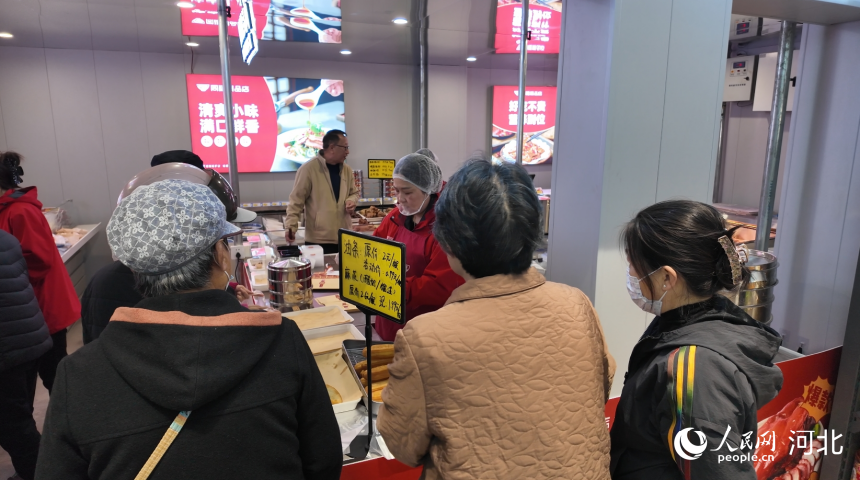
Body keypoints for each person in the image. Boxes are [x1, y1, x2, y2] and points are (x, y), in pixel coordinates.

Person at [36, 179, 341, 480]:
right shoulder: (281, 341)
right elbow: (323, 462)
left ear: (135, 266)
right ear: (221, 255)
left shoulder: (77, 375)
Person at [377, 158, 616, 480]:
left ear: (448, 240)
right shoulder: (577, 303)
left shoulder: (425, 335)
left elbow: (403, 444)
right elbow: (601, 385)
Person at [610, 200, 783, 479]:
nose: (630, 275)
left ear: (667, 277)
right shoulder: (690, 321)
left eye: (634, 266)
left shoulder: (693, 369)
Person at [81, 153, 259, 344]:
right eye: (223, 240)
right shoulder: (263, 339)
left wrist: (229, 292)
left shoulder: (102, 282)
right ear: (218, 252)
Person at [0, 152, 80, 394]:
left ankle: (71, 415)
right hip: (28, 310)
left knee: (54, 376)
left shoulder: (20, 211)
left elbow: (38, 260)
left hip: (43, 307)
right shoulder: (10, 209)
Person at [372, 153, 463, 341]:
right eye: (396, 191)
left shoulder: (444, 229)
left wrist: (395, 288)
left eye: (407, 192)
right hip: (387, 320)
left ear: (428, 190)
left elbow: (439, 286)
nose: (400, 199)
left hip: (423, 330)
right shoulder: (395, 217)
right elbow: (374, 247)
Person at [0, 230, 52, 480]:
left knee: (14, 427)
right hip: (29, 337)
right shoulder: (6, 238)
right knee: (21, 417)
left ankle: (43, 473)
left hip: (7, 347)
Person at [285, 129, 359, 254]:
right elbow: (296, 201)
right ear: (332, 147)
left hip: (344, 237)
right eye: (345, 147)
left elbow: (354, 193)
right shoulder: (308, 169)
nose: (348, 152)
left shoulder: (346, 170)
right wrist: (291, 227)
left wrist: (351, 200)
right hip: (318, 240)